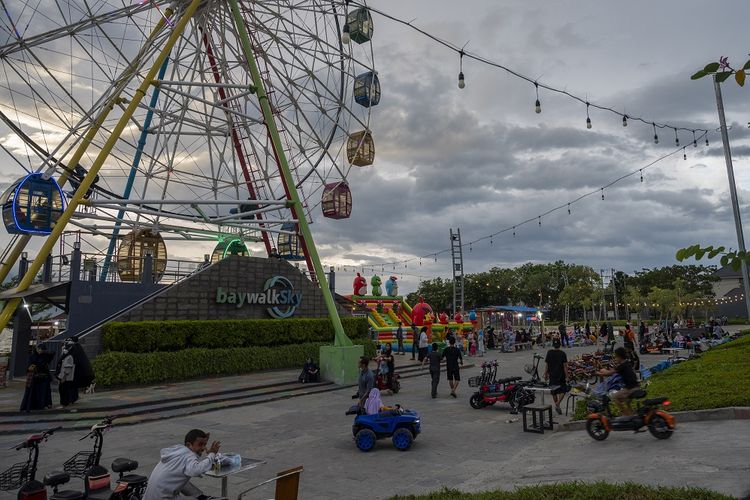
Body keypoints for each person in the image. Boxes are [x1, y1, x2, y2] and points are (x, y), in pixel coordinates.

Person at [143, 429, 221, 500]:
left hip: (150, 496)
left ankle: (200, 496)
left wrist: (202, 444)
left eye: (205, 444)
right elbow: (197, 470)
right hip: (163, 497)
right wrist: (212, 454)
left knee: (184, 482)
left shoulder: (179, 450)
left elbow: (191, 461)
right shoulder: (188, 455)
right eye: (200, 444)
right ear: (188, 445)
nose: (203, 448)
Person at [597, 347, 640, 416]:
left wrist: (596, 373)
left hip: (630, 389)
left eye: (616, 357)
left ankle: (626, 415)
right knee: (627, 402)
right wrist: (603, 370)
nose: (615, 359)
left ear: (619, 357)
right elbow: (612, 371)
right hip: (636, 386)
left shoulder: (622, 366)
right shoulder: (627, 363)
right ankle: (631, 415)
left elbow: (608, 373)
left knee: (615, 397)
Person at [20, 343, 53, 412]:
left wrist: (44, 352)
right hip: (34, 377)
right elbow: (29, 366)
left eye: (42, 350)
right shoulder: (32, 356)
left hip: (43, 377)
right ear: (37, 349)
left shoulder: (45, 356)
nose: (40, 351)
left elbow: (52, 354)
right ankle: (31, 405)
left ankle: (42, 405)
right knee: (33, 392)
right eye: (39, 349)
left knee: (43, 392)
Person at [544, 339, 569, 415]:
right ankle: (558, 403)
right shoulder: (562, 354)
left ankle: (557, 404)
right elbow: (565, 366)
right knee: (563, 390)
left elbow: (547, 365)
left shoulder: (549, 353)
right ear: (560, 345)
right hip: (560, 375)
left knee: (554, 392)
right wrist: (567, 376)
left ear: (553, 345)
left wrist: (545, 374)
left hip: (552, 375)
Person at [57, 342, 77, 407]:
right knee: (62, 390)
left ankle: (64, 404)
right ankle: (64, 403)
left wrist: (63, 377)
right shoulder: (65, 356)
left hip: (65, 377)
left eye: (65, 348)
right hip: (63, 376)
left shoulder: (69, 357)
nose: (63, 349)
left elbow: (68, 368)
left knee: (63, 390)